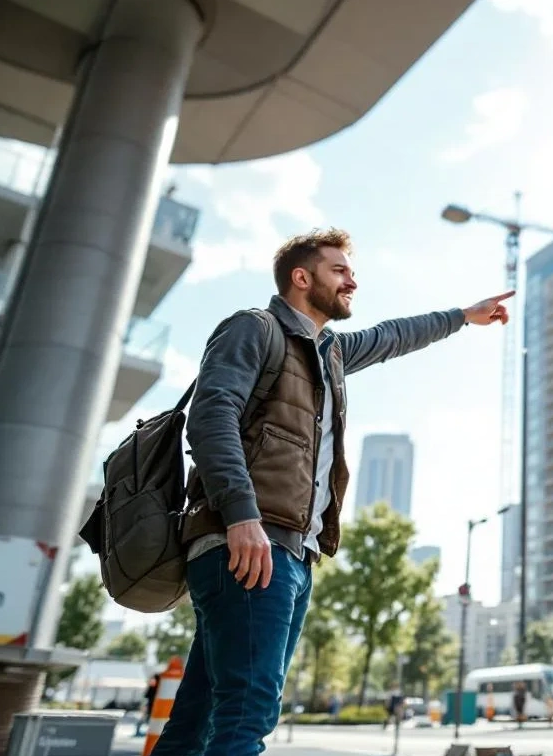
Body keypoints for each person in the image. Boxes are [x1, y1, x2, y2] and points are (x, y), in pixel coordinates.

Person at [153, 228, 513, 755]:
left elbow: (393, 335)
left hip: (289, 552)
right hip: (251, 544)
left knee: (198, 720)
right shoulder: (254, 328)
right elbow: (211, 418)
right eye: (339, 270)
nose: (352, 281)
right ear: (302, 278)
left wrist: (463, 315)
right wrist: (242, 516)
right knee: (247, 714)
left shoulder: (329, 354)